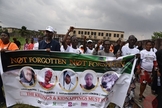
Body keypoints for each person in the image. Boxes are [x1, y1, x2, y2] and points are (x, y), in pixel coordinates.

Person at [121, 35, 140, 108]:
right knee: (123, 87)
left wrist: (138, 68)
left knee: (131, 89)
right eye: (131, 40)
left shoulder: (137, 51)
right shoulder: (124, 48)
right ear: (128, 41)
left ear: (135, 42)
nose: (132, 41)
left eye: (133, 40)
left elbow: (138, 62)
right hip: (124, 71)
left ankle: (128, 104)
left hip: (132, 72)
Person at [0, 31, 19, 105]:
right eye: (1, 35)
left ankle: (12, 100)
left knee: (9, 85)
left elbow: (17, 53)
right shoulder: (0, 42)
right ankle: (2, 100)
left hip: (8, 69)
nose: (2, 37)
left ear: (8, 37)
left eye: (4, 35)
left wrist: (7, 51)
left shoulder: (12, 45)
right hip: (0, 68)